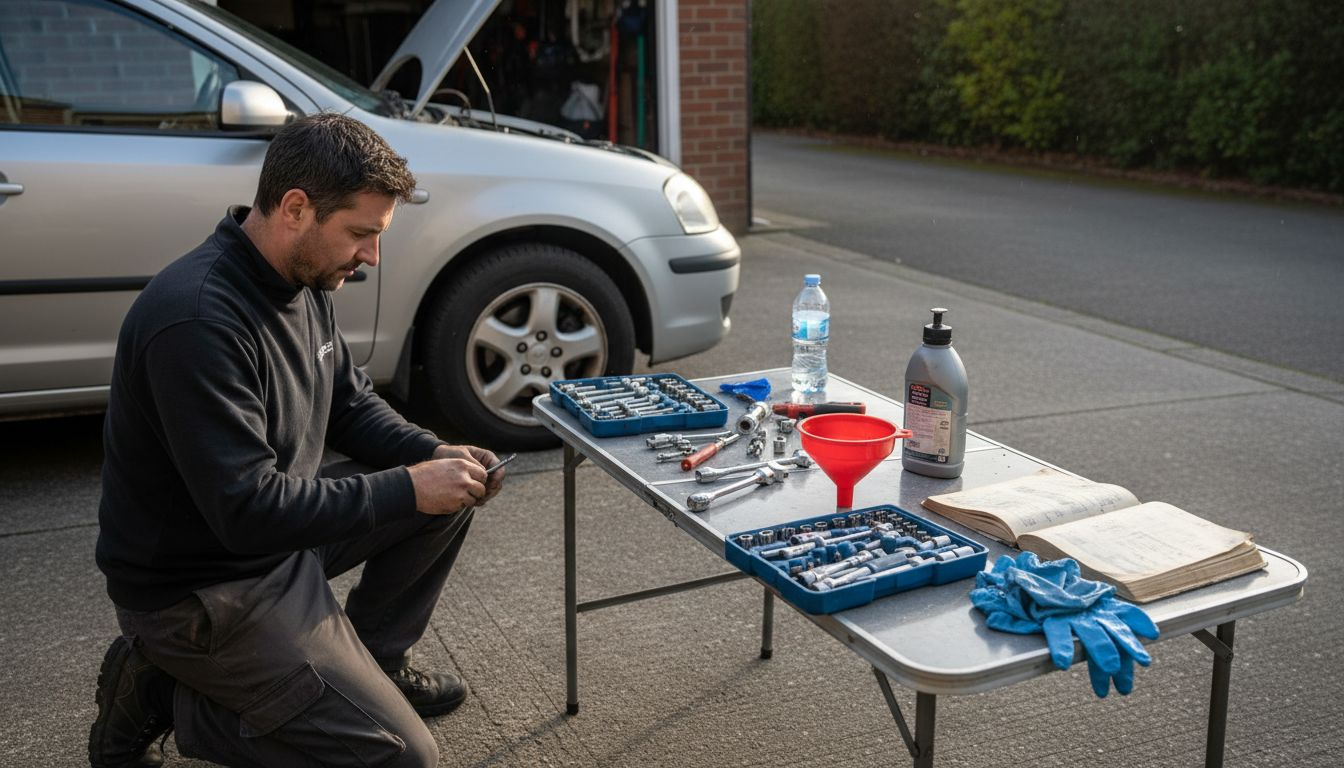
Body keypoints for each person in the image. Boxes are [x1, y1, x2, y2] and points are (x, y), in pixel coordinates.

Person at [87, 112, 505, 768]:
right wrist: (409, 487)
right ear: (295, 208)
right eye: (362, 234)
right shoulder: (197, 320)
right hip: (200, 589)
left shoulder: (303, 277)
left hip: (272, 539)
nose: (371, 257)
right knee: (401, 756)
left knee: (442, 497)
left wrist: (430, 456)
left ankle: (372, 667)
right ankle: (168, 693)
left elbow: (347, 403)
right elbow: (247, 513)